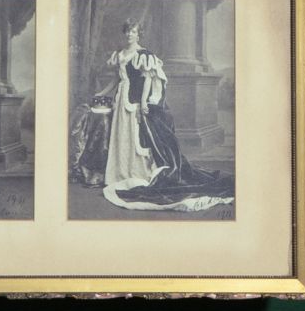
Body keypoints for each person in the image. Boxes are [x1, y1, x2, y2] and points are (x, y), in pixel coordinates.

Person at [71, 21, 233, 213]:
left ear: (139, 35)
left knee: (136, 138)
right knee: (121, 137)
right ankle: (119, 173)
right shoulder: (120, 54)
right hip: (120, 100)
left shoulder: (144, 56)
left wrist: (144, 103)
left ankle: (137, 172)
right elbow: (118, 79)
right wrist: (102, 92)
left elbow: (147, 79)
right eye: (127, 32)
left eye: (133, 32)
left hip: (135, 102)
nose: (130, 35)